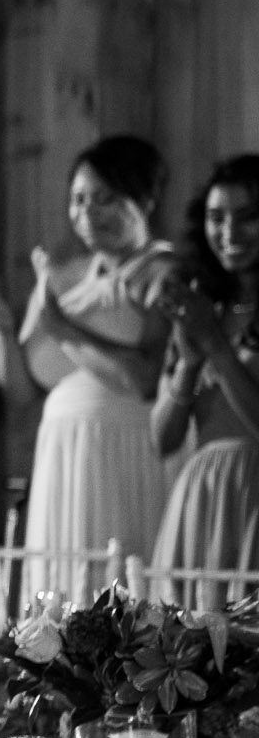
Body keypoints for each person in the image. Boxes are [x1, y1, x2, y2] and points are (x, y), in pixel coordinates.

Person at [16, 135, 177, 601]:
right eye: (79, 199)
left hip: (123, 450)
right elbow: (35, 376)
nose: (88, 212)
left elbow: (146, 379)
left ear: (144, 199)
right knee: (65, 598)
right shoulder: (75, 273)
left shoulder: (163, 272)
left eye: (105, 198)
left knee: (123, 592)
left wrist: (65, 329)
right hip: (67, 455)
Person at [145, 155, 259, 607]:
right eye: (217, 218)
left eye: (248, 217)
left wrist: (215, 345)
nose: (230, 233)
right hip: (204, 494)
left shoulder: (207, 323)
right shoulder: (200, 305)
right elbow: (163, 439)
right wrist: (190, 364)